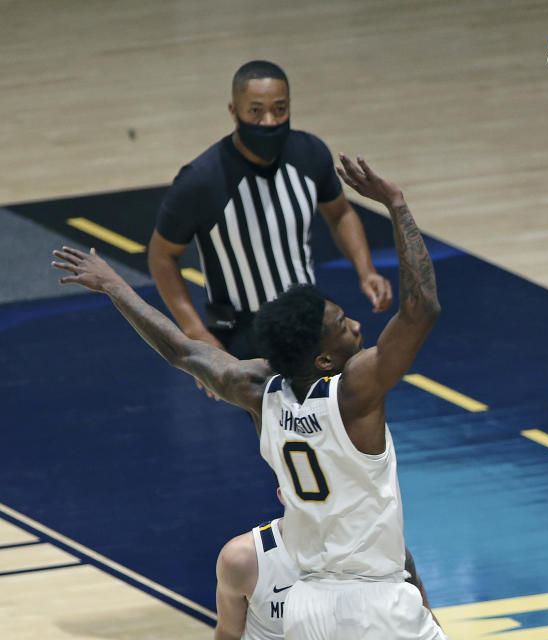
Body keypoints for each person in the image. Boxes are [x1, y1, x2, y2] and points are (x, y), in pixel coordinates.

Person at [53, 155, 446, 640]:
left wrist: (115, 287)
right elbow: (422, 306)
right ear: (324, 361)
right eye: (344, 326)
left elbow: (180, 350)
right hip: (377, 608)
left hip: (305, 609)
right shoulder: (354, 393)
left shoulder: (258, 390)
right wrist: (397, 204)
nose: (357, 326)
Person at [148, 60, 392, 362]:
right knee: (270, 408)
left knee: (354, 392)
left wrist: (366, 271)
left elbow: (340, 213)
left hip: (310, 316)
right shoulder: (201, 180)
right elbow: (161, 256)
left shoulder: (309, 153)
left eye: (279, 109)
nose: (268, 121)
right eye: (255, 110)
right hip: (241, 327)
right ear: (233, 111)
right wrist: (195, 331)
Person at [214, 488, 438, 640]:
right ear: (283, 494)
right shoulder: (243, 559)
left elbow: (424, 621)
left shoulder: (381, 550)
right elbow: (228, 634)